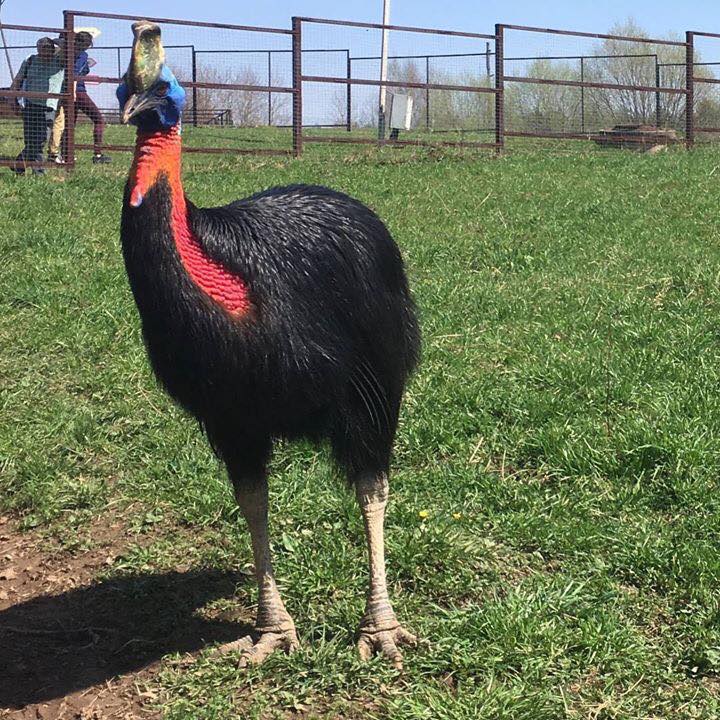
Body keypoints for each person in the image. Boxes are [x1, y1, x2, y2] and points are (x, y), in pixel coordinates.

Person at [9, 37, 64, 175]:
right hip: (30, 104)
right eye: (41, 48)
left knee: (41, 139)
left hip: (49, 106)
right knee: (31, 139)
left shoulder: (60, 61)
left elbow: (69, 48)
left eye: (47, 48)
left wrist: (56, 41)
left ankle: (19, 164)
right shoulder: (30, 60)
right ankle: (37, 171)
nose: (43, 52)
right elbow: (18, 80)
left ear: (52, 49)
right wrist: (12, 100)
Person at [56, 31, 111, 164]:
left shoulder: (65, 52)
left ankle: (65, 155)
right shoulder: (82, 55)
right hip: (78, 92)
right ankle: (98, 154)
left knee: (70, 124)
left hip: (63, 91)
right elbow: (75, 74)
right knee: (99, 119)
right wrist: (74, 92)